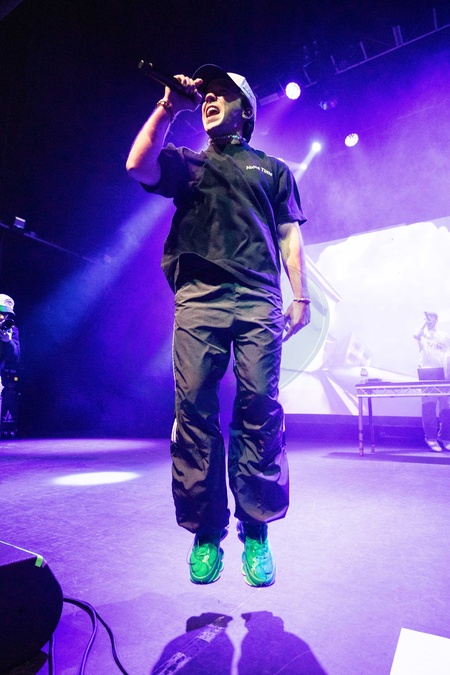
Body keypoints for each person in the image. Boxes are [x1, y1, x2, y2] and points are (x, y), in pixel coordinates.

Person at [126, 64, 310, 586]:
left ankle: (256, 528)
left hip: (258, 299)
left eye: (222, 93)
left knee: (259, 409)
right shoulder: (189, 164)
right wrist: (169, 104)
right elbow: (137, 165)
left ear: (245, 110)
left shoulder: (273, 169)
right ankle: (207, 531)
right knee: (194, 411)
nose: (209, 98)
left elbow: (289, 234)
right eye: (206, 93)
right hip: (199, 299)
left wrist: (301, 295)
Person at [413, 311, 450, 451]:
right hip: (428, 373)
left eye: (431, 317)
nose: (428, 319)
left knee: (446, 407)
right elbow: (415, 334)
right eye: (426, 317)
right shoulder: (422, 334)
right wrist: (425, 323)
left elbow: (448, 354)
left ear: (436, 319)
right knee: (429, 406)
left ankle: (445, 437)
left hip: (444, 374)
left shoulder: (444, 335)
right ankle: (431, 438)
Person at [0, 293, 20, 437]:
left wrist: (8, 342)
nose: (3, 318)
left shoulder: (11, 330)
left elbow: (15, 356)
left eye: (6, 315)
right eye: (1, 314)